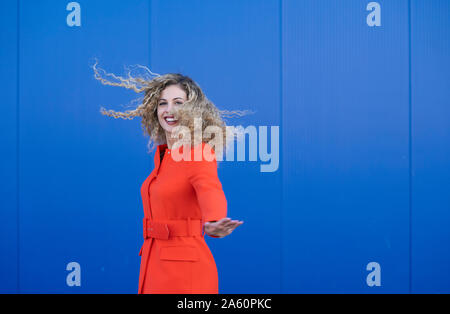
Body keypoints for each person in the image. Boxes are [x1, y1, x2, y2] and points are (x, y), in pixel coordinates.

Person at [94, 67, 247, 294]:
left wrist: (214, 221)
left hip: (185, 274)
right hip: (154, 264)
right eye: (163, 103)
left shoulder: (197, 151)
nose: (169, 109)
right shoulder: (163, 155)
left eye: (178, 102)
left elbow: (210, 189)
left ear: (192, 110)